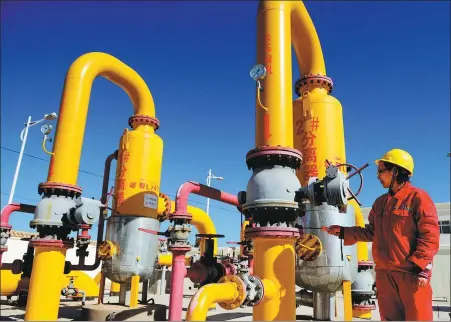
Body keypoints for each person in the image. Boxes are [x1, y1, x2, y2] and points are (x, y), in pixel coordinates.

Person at [322, 148, 440, 321]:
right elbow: (371, 232)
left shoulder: (418, 198)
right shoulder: (380, 203)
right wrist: (343, 232)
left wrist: (421, 268)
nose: (377, 176)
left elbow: (429, 236)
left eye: (381, 171)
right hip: (385, 276)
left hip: (411, 275)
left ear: (395, 171)